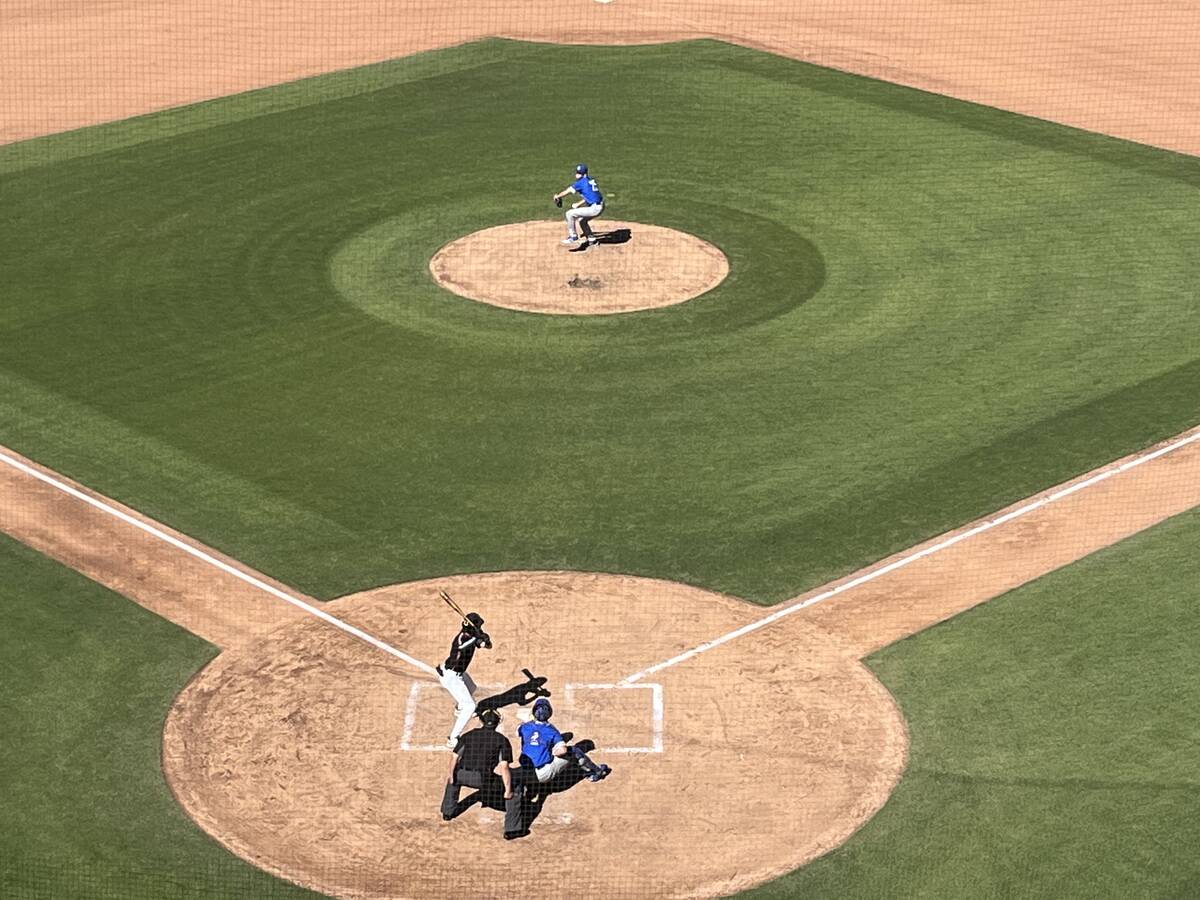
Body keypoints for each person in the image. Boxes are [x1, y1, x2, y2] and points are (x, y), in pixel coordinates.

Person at [441, 708, 527, 839]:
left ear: (482, 721)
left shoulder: (468, 735)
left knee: (453, 779)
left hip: (462, 774)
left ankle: (448, 812)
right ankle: (511, 830)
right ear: (498, 723)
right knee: (515, 789)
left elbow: (454, 758)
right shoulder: (501, 740)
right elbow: (504, 768)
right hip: (483, 779)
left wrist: (451, 776)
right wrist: (508, 790)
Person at [516, 698, 611, 786]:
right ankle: (596, 772)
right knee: (573, 751)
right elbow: (563, 750)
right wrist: (553, 752)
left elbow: (519, 731)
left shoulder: (524, 727)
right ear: (549, 713)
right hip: (543, 775)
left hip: (524, 773)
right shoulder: (552, 731)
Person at [437, 611, 492, 749]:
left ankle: (459, 708)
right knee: (471, 707)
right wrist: (476, 638)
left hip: (459, 674)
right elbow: (462, 647)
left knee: (472, 688)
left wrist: (485, 639)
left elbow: (487, 645)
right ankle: (452, 738)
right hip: (450, 676)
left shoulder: (473, 635)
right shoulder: (461, 638)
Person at [552, 163, 605, 246]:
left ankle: (573, 237)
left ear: (584, 174)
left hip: (595, 208)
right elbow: (591, 196)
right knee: (582, 221)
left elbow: (568, 191)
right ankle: (592, 240)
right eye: (577, 172)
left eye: (579, 173)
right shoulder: (590, 180)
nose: (577, 175)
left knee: (569, 213)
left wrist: (557, 196)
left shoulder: (580, 183)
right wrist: (578, 203)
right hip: (600, 205)